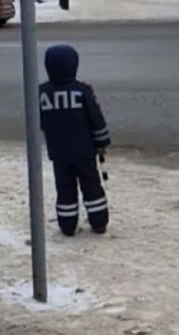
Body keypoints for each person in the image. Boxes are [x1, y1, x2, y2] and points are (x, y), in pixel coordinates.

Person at [39, 44, 112, 236]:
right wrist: (102, 141)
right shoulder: (82, 91)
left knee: (64, 189)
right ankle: (99, 222)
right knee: (91, 185)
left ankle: (67, 224)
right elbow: (95, 119)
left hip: (58, 152)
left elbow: (38, 121)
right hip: (84, 151)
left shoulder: (41, 93)